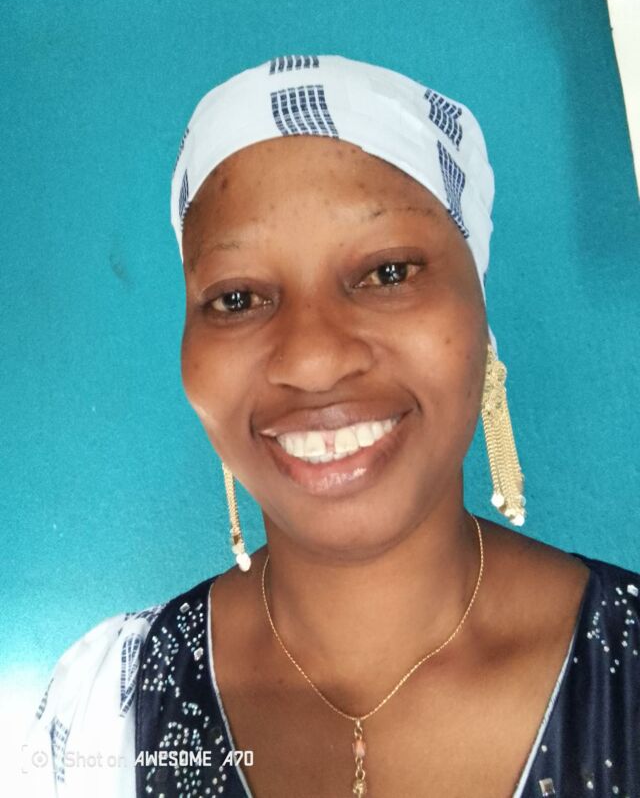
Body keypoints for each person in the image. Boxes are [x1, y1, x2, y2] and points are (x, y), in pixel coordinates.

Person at [23, 54, 640, 798]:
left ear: (480, 315)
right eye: (238, 298)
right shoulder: (102, 714)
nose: (313, 360)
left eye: (388, 272)